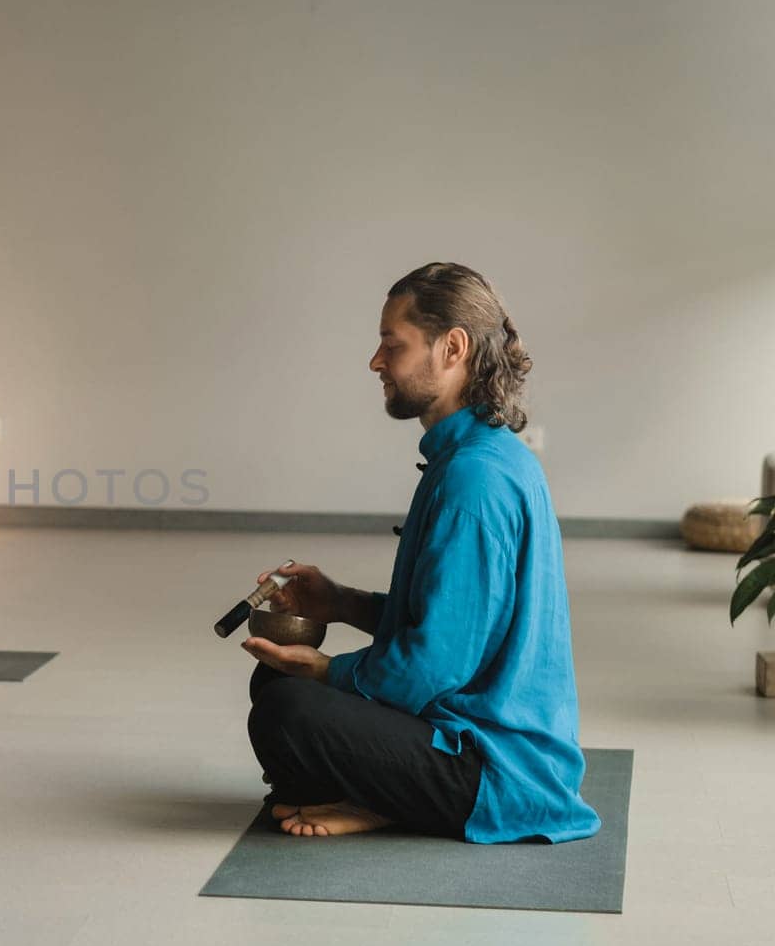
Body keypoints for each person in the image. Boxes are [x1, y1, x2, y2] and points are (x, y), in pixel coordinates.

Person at [239, 262, 600, 844]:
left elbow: (437, 662)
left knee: (289, 709)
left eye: (392, 345)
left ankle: (390, 802)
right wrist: (339, 603)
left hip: (492, 768)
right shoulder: (472, 458)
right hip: (463, 735)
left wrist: (331, 670)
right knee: (277, 683)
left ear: (452, 347)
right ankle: (378, 796)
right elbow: (448, 623)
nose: (376, 362)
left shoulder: (474, 480)